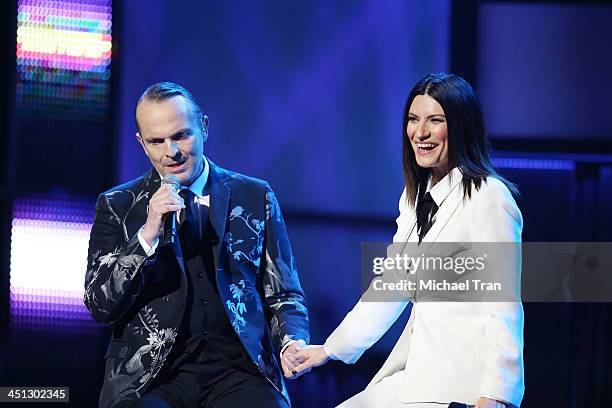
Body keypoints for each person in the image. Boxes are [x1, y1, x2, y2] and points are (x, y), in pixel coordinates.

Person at [292, 73, 524, 408]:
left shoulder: (489, 196)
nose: (421, 132)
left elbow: (504, 303)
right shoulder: (414, 199)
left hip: (460, 383)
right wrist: (329, 350)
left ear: (460, 126)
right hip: (418, 374)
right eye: (414, 120)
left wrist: (499, 394)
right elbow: (391, 285)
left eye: (435, 120)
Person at [84, 82, 309, 408]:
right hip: (151, 377)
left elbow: (284, 292)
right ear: (141, 144)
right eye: (156, 141)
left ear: (203, 127)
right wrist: (147, 234)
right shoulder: (118, 206)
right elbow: (100, 305)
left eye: (180, 136)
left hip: (238, 369)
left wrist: (290, 342)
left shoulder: (253, 196)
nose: (170, 152)